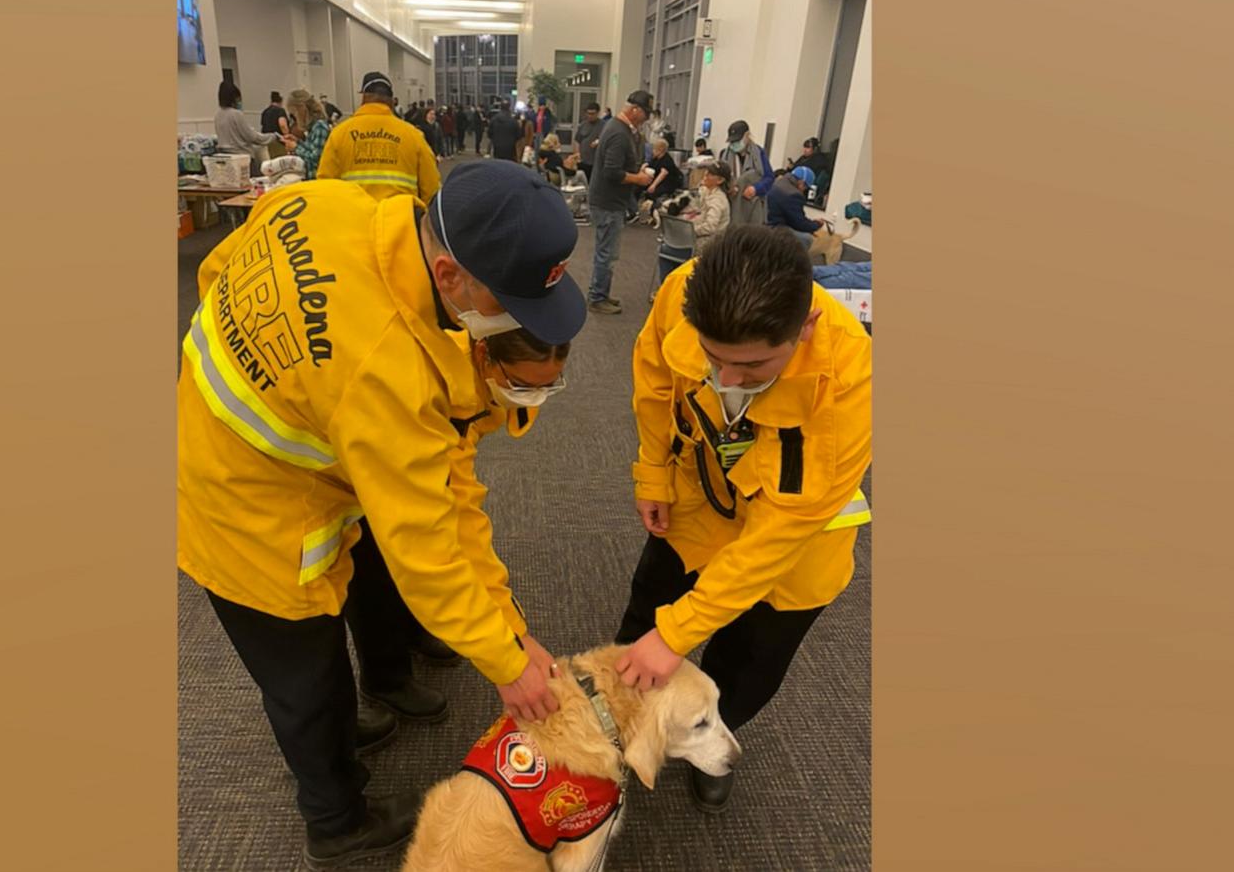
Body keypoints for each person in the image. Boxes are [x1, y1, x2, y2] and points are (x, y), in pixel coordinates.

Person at [180, 161, 586, 867]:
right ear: (449, 273)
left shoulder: (331, 201)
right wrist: (509, 662)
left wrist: (287, 377)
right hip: (242, 506)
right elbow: (428, 549)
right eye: (511, 302)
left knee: (334, 643)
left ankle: (346, 723)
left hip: (244, 431)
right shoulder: (385, 371)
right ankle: (336, 821)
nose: (517, 324)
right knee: (304, 673)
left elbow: (215, 270)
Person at [613, 224, 872, 814]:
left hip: (793, 555)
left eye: (752, 366)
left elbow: (779, 536)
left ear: (803, 328)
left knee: (747, 661)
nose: (727, 381)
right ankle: (621, 726)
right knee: (645, 615)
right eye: (714, 359)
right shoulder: (686, 289)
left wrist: (679, 636)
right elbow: (654, 382)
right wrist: (653, 473)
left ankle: (707, 737)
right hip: (699, 506)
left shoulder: (850, 382)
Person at [345, 325, 571, 735]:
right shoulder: (432, 383)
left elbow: (456, 479)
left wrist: (507, 632)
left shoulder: (482, 372)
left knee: (419, 569)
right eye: (521, 384)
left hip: (394, 441)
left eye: (549, 385)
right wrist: (510, 641)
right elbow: (455, 520)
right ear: (483, 354)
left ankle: (418, 628)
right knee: (377, 559)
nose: (534, 395)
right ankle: (385, 677)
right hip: (349, 460)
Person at [316, 72, 440, 203]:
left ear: (363, 97)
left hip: (354, 219)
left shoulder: (339, 134)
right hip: (400, 220)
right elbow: (431, 189)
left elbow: (325, 185)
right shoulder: (413, 135)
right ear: (392, 100)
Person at [585, 90, 656, 315]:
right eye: (645, 113)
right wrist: (640, 178)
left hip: (609, 200)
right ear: (635, 110)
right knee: (607, 252)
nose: (646, 119)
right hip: (608, 202)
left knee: (607, 251)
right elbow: (612, 172)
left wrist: (637, 170)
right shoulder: (618, 132)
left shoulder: (619, 129)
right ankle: (597, 297)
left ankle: (601, 293)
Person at [215, 82, 292, 171]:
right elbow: (252, 137)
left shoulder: (218, 115)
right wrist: (275, 136)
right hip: (242, 160)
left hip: (226, 161)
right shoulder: (236, 114)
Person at [723, 120, 774, 227]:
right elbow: (721, 177)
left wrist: (756, 188)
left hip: (752, 204)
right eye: (732, 142)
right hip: (732, 204)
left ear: (747, 136)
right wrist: (728, 187)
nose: (734, 144)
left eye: (737, 140)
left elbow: (769, 178)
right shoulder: (726, 155)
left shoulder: (759, 153)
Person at [766, 166, 824, 247]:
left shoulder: (779, 181)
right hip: (774, 229)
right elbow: (800, 224)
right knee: (806, 239)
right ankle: (793, 259)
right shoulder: (793, 194)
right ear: (801, 183)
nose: (804, 190)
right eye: (806, 187)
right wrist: (816, 224)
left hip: (765, 223)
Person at [285, 88, 333, 180]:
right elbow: (312, 149)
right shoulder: (313, 127)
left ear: (301, 109)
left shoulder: (319, 126)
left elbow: (316, 159)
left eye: (294, 113)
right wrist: (298, 142)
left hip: (318, 180)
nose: (295, 117)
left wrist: (295, 147)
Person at [688, 161, 732, 255]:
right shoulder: (706, 191)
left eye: (710, 174)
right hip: (700, 232)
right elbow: (695, 207)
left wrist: (689, 230)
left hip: (711, 240)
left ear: (720, 180)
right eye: (707, 171)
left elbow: (710, 227)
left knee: (673, 246)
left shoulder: (718, 200)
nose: (705, 174)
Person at [639, 137, 683, 222]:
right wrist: (645, 165)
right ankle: (638, 212)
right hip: (660, 182)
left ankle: (654, 215)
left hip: (669, 183)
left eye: (654, 149)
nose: (652, 151)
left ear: (661, 150)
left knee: (653, 192)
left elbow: (663, 174)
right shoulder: (656, 158)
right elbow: (650, 165)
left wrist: (653, 185)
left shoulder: (667, 160)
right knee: (639, 188)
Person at [261, 90, 293, 160]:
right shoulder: (280, 110)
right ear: (281, 101)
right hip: (279, 141)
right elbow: (282, 125)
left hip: (267, 141)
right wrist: (287, 137)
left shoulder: (265, 112)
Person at [572, 103, 603, 174]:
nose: (590, 116)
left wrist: (598, 142)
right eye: (588, 113)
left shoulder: (603, 125)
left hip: (596, 162)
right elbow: (577, 141)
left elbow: (606, 140)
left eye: (592, 114)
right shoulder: (583, 125)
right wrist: (577, 154)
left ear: (598, 113)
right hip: (583, 161)